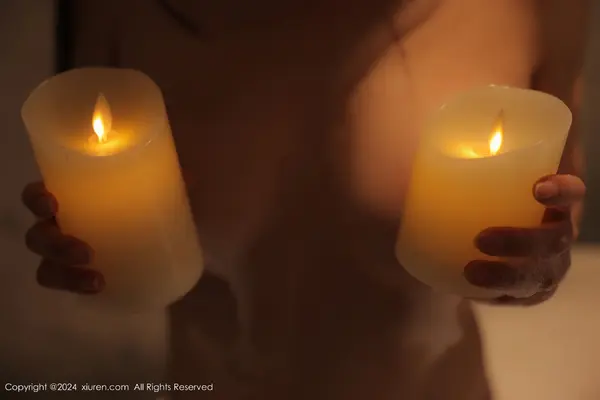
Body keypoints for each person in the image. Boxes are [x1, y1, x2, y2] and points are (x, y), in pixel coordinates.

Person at [21, 0, 589, 398]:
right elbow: (90, 189)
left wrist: (533, 266)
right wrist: (91, 255)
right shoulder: (115, 9)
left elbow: (553, 219)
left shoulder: (530, 7)